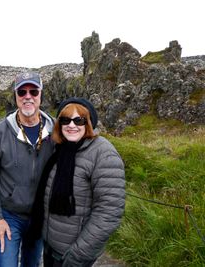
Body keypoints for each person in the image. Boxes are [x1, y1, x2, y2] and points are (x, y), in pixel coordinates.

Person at [29, 97, 125, 267]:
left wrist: (78, 255)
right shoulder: (59, 149)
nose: (71, 125)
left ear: (88, 123)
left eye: (78, 120)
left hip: (73, 255)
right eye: (65, 120)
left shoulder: (103, 154)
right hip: (51, 247)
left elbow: (109, 211)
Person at [0, 72, 55, 267]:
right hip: (9, 217)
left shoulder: (55, 131)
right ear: (15, 96)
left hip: (39, 217)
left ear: (40, 95)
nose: (27, 96)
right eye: (22, 92)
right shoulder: (0, 133)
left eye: (33, 91)